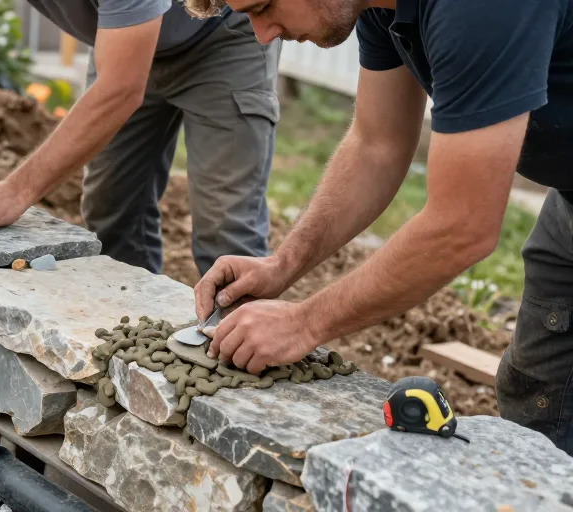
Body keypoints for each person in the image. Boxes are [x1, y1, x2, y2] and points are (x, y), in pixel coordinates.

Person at [181, 0, 573, 455]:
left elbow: (462, 225)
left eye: (263, 6)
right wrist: (283, 264)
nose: (262, 35)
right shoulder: (376, 7)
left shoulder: (478, 8)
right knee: (542, 402)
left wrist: (303, 324)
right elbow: (376, 145)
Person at [0, 0, 281, 277]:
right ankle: (129, 339)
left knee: (225, 229)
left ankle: (241, 368)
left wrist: (15, 191)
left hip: (223, 36)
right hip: (125, 39)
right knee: (110, 208)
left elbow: (121, 87)